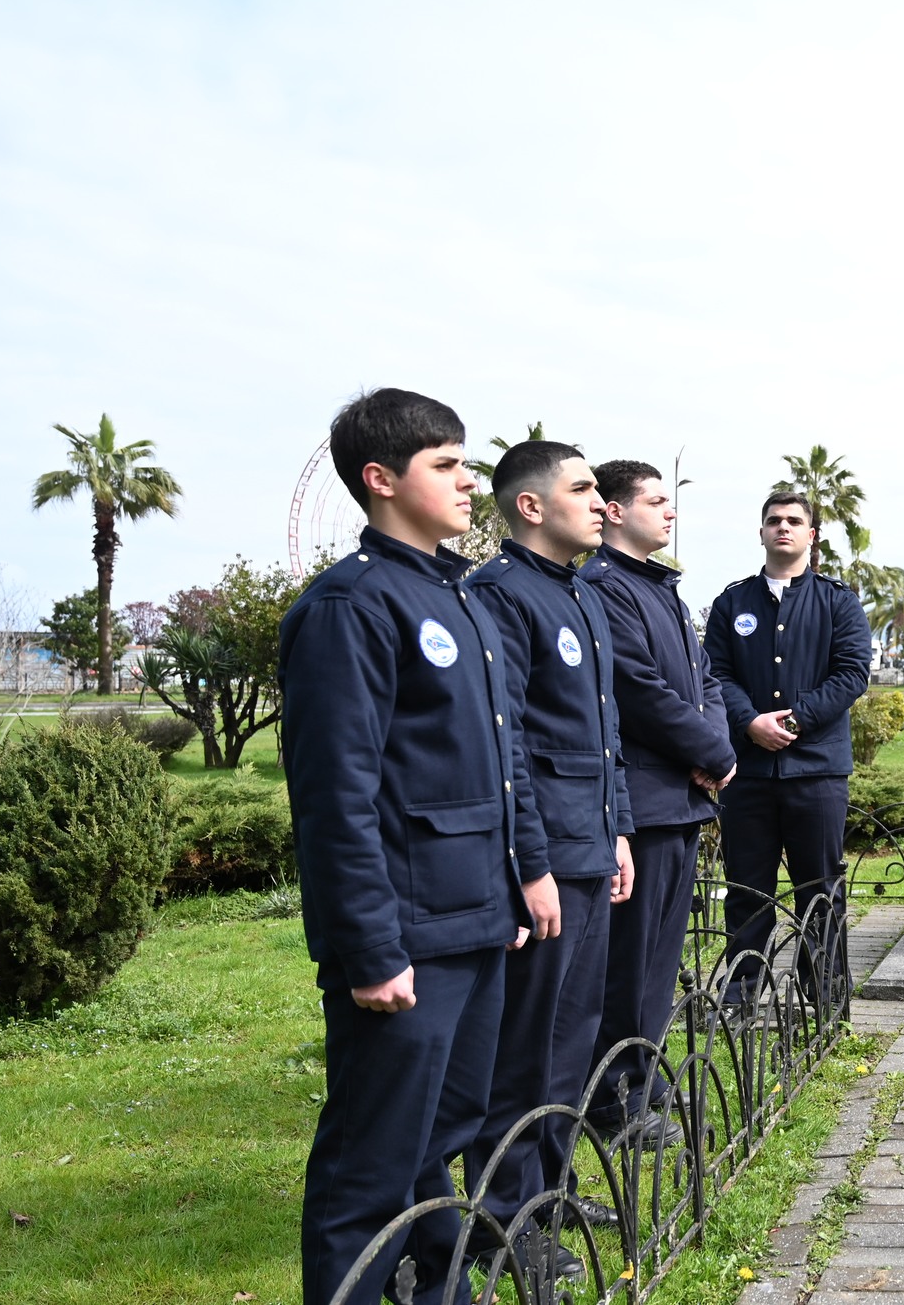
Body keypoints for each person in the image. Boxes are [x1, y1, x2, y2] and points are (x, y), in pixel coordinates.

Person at [281, 388, 560, 1305]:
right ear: (382, 479)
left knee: (444, 1129)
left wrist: (518, 883)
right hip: (405, 934)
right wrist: (370, 949)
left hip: (475, 920)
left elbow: (504, 760)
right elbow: (337, 794)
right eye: (445, 464)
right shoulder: (352, 606)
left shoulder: (458, 598)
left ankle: (436, 1287)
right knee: (370, 1161)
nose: (468, 478)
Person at [460, 441, 635, 1272]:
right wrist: (531, 862)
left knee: (573, 1035)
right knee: (524, 1046)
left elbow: (604, 737)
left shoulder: (582, 595)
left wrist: (621, 830)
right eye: (584, 488)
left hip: (591, 848)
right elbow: (509, 748)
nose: (601, 502)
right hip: (546, 861)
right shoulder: (501, 597)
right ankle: (505, 1218)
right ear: (532, 507)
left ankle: (553, 1187)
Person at [579, 459, 736, 1139]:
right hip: (643, 798)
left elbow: (704, 682)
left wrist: (717, 749)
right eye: (654, 501)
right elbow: (640, 690)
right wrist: (709, 751)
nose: (668, 512)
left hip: (682, 797)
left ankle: (642, 1070)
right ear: (615, 511)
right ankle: (612, 1095)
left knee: (661, 957)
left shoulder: (663, 588)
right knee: (629, 958)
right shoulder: (605, 586)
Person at [705, 491, 872, 1009]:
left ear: (811, 535)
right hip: (748, 771)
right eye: (773, 520)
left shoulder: (837, 601)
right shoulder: (733, 603)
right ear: (760, 531)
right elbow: (716, 673)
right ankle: (741, 993)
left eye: (794, 521)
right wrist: (749, 721)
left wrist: (795, 719)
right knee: (746, 888)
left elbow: (852, 674)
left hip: (815, 770)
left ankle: (824, 991)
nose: (783, 528)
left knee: (820, 887)